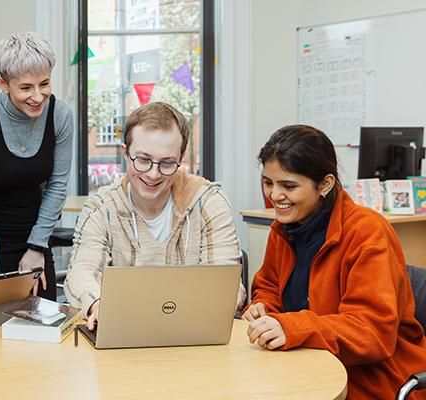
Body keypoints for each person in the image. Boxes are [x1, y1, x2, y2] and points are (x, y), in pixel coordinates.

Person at [244, 124, 426, 399]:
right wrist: (263, 308)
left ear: (325, 184)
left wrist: (293, 327)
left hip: (373, 381)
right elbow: (269, 286)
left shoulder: (367, 232)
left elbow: (371, 333)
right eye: (268, 182)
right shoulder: (283, 230)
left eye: (288, 186)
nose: (274, 195)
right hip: (304, 368)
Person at [65, 102, 246, 331]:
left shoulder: (209, 202)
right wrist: (98, 304)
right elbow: (81, 274)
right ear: (125, 153)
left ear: (181, 159)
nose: (153, 174)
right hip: (123, 339)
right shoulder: (102, 208)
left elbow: (227, 288)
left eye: (167, 163)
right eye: (142, 159)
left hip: (194, 338)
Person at [0, 32, 74, 300]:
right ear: (3, 83)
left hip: (35, 238)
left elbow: (57, 185)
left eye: (44, 84)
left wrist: (36, 247)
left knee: (42, 326)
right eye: (25, 88)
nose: (38, 96)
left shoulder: (61, 115)